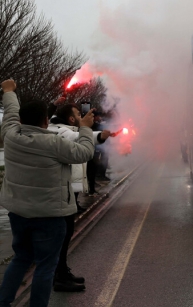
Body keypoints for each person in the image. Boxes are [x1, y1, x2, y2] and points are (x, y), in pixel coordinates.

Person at [0, 79, 95, 307]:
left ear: (21, 120)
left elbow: (11, 114)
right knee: (45, 266)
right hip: (50, 217)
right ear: (46, 121)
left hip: (19, 213)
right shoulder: (54, 144)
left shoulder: (11, 137)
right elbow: (85, 152)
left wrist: (9, 92)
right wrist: (85, 127)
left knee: (21, 258)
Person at [48, 104, 112, 292]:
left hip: (64, 193)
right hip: (60, 195)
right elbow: (78, 139)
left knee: (65, 234)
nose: (81, 115)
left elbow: (80, 136)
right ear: (70, 119)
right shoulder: (60, 132)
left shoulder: (63, 129)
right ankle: (59, 276)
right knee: (62, 235)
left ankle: (61, 272)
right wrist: (94, 133)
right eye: (77, 114)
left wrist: (100, 136)